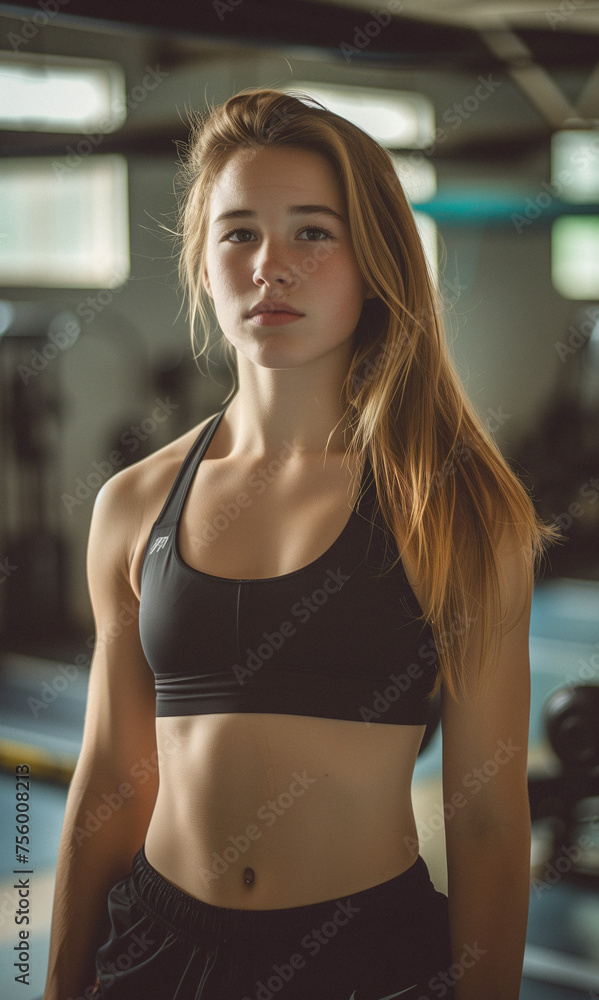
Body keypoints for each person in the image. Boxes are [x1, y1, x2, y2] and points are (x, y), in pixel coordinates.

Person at [44, 88, 556, 1000]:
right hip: (156, 954)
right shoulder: (133, 505)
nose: (270, 265)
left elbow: (485, 820)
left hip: (366, 961)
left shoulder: (453, 506)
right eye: (238, 232)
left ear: (374, 262)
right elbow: (112, 783)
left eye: (312, 232)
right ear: (203, 265)